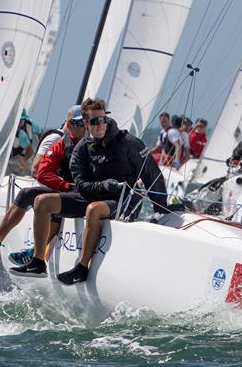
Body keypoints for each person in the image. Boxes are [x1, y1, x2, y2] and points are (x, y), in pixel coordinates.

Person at [51, 99, 168, 285]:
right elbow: (80, 183)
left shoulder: (128, 142)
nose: (101, 125)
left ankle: (81, 268)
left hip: (125, 201)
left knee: (93, 210)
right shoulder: (82, 148)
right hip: (96, 196)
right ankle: (37, 259)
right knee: (43, 201)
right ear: (86, 124)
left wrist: (162, 210)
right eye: (95, 122)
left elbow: (152, 175)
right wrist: (103, 186)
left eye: (103, 119)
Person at [0, 105, 87, 276]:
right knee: (29, 195)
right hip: (68, 190)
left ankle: (35, 254)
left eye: (89, 122)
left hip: (84, 194)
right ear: (71, 124)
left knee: (48, 201)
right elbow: (38, 170)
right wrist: (65, 186)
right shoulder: (59, 140)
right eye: (83, 123)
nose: (87, 127)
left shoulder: (92, 142)